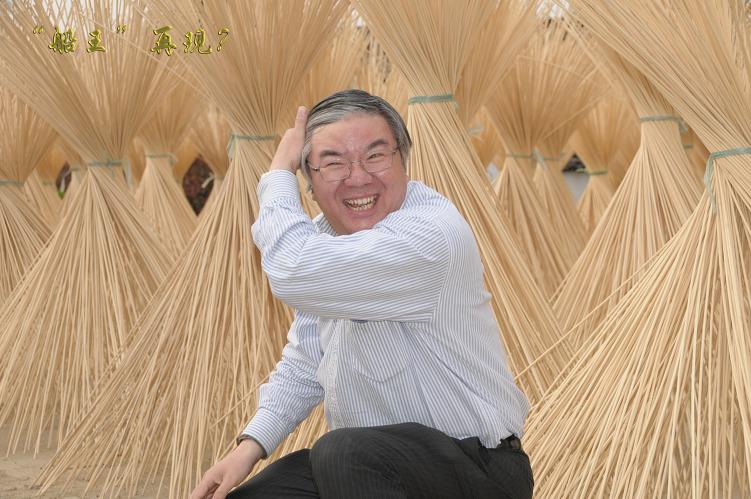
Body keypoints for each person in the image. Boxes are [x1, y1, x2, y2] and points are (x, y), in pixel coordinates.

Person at [190, 90, 532, 499]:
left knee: (342, 450)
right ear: (310, 182)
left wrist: (278, 173)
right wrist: (250, 447)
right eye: (334, 163)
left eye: (375, 156)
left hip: (477, 471)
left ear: (403, 161)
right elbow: (307, 359)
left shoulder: (429, 235)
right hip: (371, 471)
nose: (358, 178)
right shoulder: (329, 242)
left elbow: (293, 271)